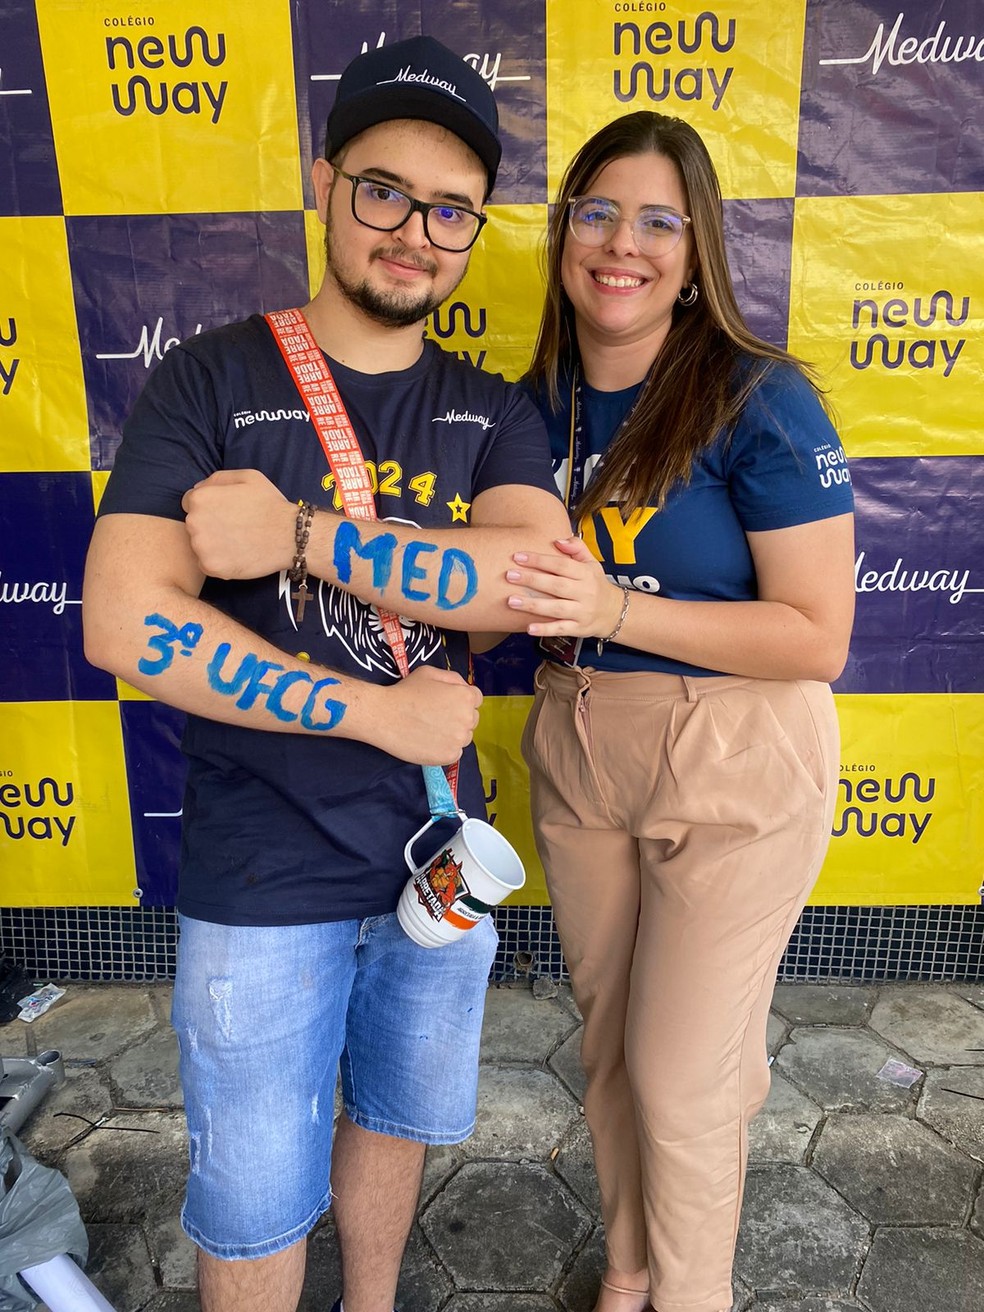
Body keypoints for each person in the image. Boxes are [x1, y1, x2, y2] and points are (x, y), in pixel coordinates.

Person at [82, 36, 570, 1312]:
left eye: (451, 209)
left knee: (396, 1120)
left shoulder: (491, 410)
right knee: (249, 1196)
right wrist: (374, 706)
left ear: (473, 233)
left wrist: (297, 535)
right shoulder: (211, 377)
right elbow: (126, 622)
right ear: (323, 182)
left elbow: (527, 579)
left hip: (438, 855)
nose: (415, 231)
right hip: (261, 873)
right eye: (384, 191)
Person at [502, 112, 856, 1312]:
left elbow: (817, 637)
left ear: (699, 252)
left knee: (681, 1074)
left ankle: (692, 1296)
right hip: (579, 738)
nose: (625, 244)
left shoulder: (758, 396)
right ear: (563, 234)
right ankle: (632, 1265)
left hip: (735, 753)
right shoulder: (531, 403)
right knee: (608, 1051)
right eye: (598, 211)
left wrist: (613, 603)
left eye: (661, 220)